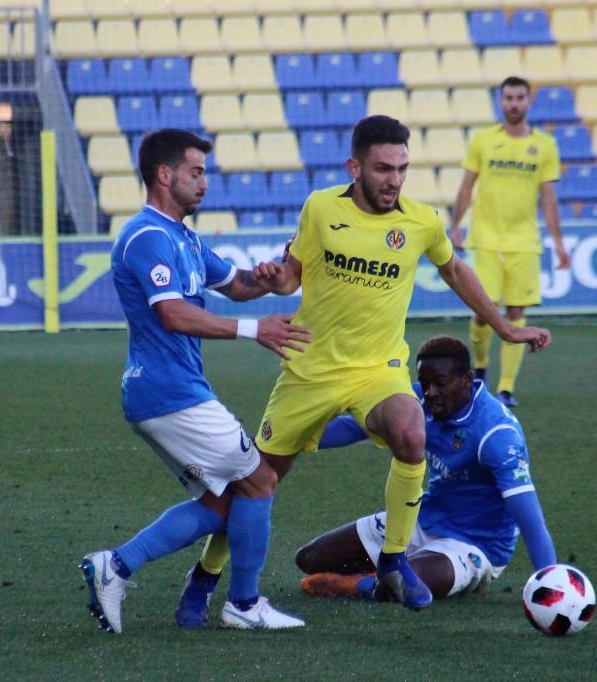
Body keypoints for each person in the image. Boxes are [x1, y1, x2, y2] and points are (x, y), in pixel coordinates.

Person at [175, 115, 551, 623]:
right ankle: (205, 574)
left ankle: (394, 559)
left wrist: (504, 327)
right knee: (256, 481)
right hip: (310, 368)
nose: (394, 180)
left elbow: (455, 269)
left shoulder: (421, 222)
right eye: (382, 169)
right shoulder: (321, 208)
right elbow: (291, 278)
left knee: (411, 431)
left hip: (379, 368)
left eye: (402, 168)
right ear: (355, 168)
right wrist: (273, 275)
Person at [79, 128, 310, 633]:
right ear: (165, 175)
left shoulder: (184, 238)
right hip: (169, 393)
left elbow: (238, 285)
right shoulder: (146, 236)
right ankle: (243, 604)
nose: (205, 183)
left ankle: (115, 566)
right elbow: (174, 315)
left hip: (170, 392)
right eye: (196, 172)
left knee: (225, 500)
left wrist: (274, 274)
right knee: (260, 480)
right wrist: (255, 330)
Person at [295, 335, 557, 602]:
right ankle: (389, 571)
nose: (430, 392)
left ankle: (357, 585)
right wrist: (288, 440)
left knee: (407, 584)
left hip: (474, 544)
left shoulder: (496, 434)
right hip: (422, 520)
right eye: (424, 382)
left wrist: (552, 582)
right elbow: (352, 427)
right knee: (309, 559)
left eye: (440, 383)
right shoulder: (419, 400)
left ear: (467, 380)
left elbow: (531, 521)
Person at [448, 76, 569, 408]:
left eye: (519, 98)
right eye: (509, 98)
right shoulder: (483, 141)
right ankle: (480, 367)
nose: (514, 103)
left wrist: (558, 241)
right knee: (483, 310)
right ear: (501, 102)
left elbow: (548, 197)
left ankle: (505, 388)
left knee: (516, 311)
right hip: (486, 239)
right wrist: (455, 225)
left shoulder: (545, 145)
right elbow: (466, 186)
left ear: (529, 101)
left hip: (524, 242)